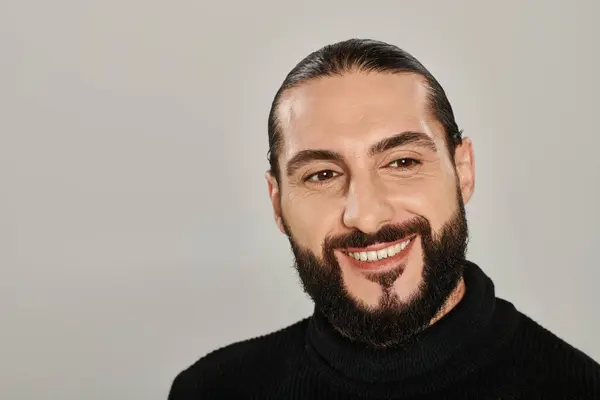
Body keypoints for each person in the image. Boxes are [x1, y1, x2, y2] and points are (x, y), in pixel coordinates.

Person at [167, 39, 600, 399]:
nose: (368, 217)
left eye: (402, 162)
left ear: (463, 171)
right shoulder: (211, 391)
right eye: (322, 174)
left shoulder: (576, 388)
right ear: (277, 203)